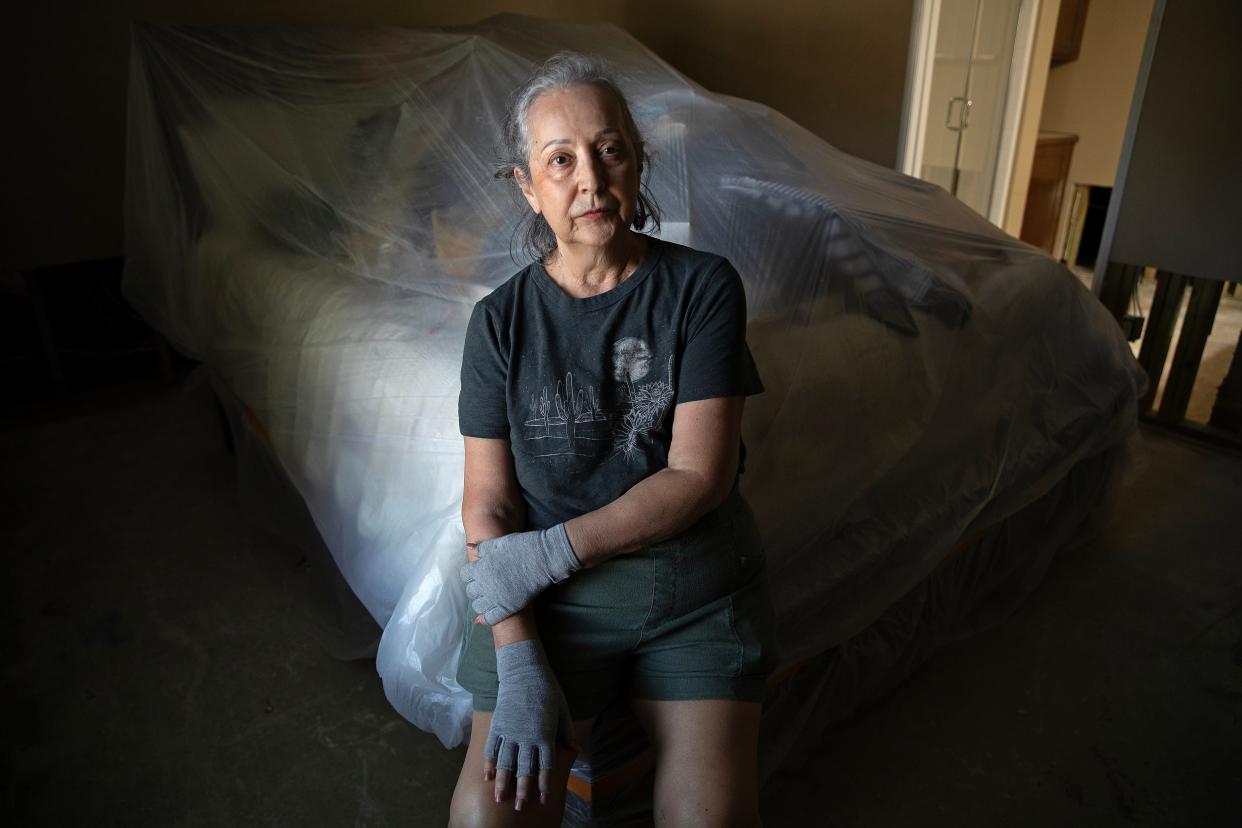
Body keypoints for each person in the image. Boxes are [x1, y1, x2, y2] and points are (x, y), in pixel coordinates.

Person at [449, 52, 776, 827]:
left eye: (610, 150)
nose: (589, 179)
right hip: (556, 604)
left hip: (694, 581)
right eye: (560, 160)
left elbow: (700, 475)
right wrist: (521, 654)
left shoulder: (704, 287)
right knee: (485, 819)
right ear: (528, 186)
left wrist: (548, 551)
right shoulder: (497, 323)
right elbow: (488, 506)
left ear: (637, 162)